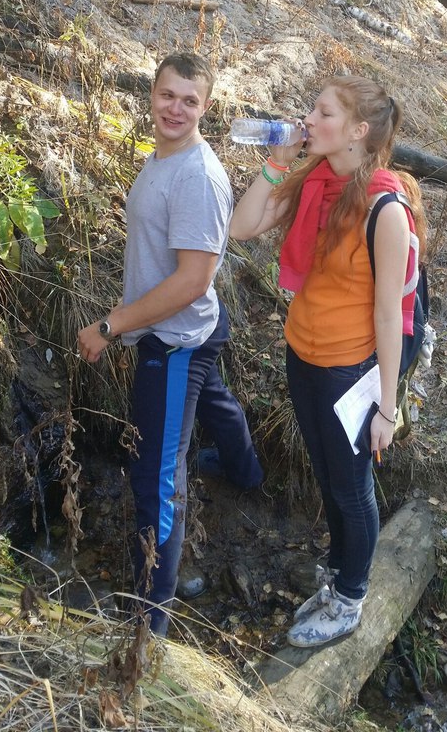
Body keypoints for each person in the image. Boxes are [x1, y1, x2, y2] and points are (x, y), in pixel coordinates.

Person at [230, 75, 426, 648]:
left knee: (350, 487)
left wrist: (386, 408)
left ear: (358, 131)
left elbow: (390, 316)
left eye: (324, 113)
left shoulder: (385, 210)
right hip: (304, 352)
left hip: (350, 370)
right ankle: (339, 576)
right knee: (326, 472)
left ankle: (350, 599)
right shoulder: (313, 180)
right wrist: (276, 162)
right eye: (312, 110)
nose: (308, 120)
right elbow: (242, 227)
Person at [78, 52, 263, 637]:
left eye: (189, 100)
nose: (175, 109)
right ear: (152, 94)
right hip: (199, 327)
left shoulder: (197, 178)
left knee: (156, 475)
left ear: (206, 107)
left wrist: (111, 326)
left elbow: (191, 282)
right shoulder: (163, 156)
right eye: (167, 95)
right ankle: (246, 472)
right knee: (215, 400)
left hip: (176, 339)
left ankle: (149, 619)